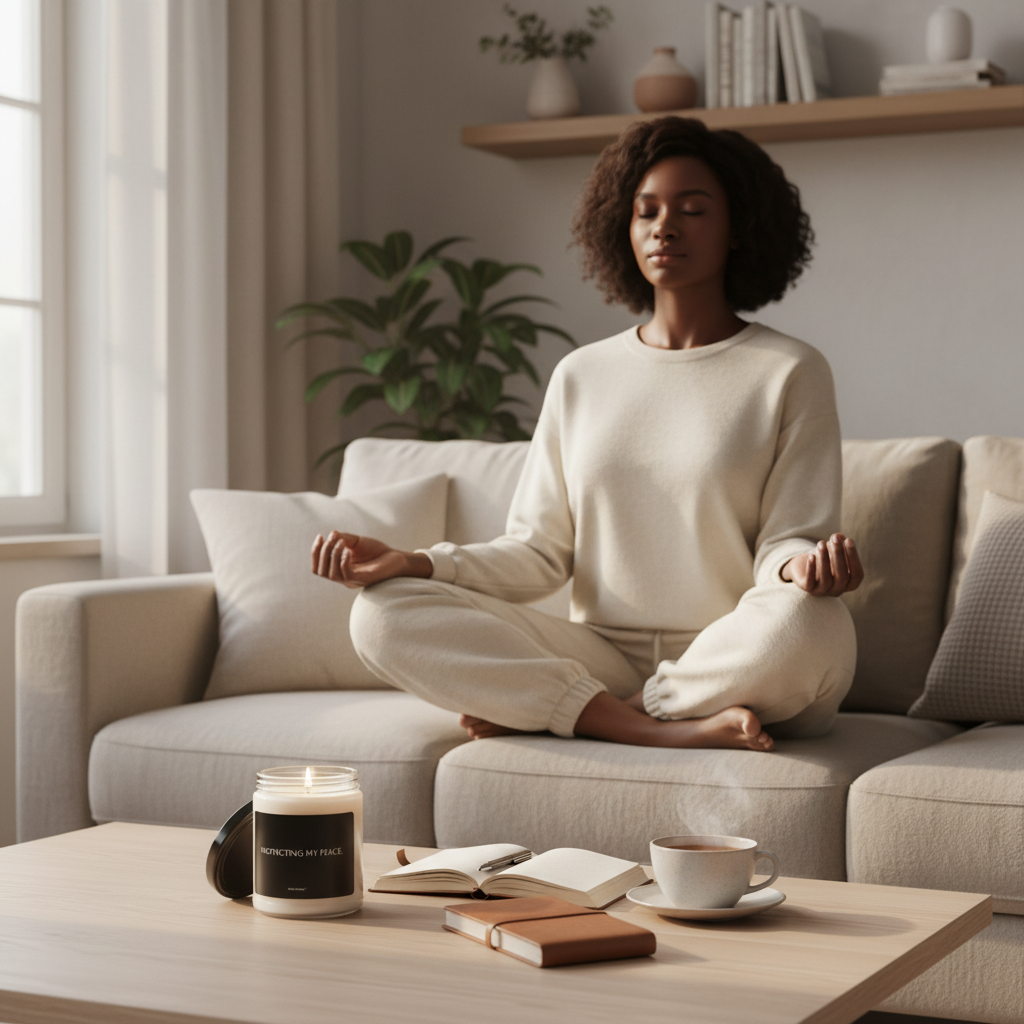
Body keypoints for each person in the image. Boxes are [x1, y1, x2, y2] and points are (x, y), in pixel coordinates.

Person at [312, 116, 863, 753]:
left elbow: (785, 544)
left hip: (734, 652)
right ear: (622, 228)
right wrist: (417, 562)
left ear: (739, 227)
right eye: (646, 211)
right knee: (381, 613)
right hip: (601, 653)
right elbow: (538, 552)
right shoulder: (582, 375)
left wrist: (804, 569)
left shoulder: (790, 369)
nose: (665, 226)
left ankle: (606, 712)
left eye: (693, 209)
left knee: (813, 624)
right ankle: (645, 725)